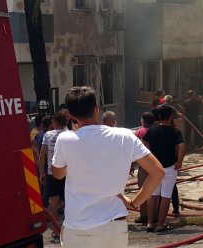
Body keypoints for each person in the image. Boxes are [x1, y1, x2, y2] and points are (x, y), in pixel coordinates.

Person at [51, 86, 164, 247]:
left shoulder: (65, 139)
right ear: (97, 109)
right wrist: (134, 203)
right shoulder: (124, 135)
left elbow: (58, 174)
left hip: (77, 227)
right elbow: (157, 172)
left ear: (70, 116)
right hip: (113, 226)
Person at [142, 104, 185, 233]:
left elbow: (143, 145)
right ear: (171, 116)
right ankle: (160, 224)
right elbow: (182, 147)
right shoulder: (175, 132)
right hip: (169, 167)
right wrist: (179, 162)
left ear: (159, 116)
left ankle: (150, 223)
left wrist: (147, 161)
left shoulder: (151, 130)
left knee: (153, 194)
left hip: (155, 168)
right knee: (166, 196)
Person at [39, 110, 69, 243]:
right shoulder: (70, 135)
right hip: (68, 173)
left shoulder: (47, 135)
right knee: (69, 202)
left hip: (52, 173)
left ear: (54, 122)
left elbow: (42, 156)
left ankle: (57, 231)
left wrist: (41, 172)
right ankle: (70, 230)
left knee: (53, 203)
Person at [133, 111, 156, 224]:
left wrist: (132, 165)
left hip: (143, 166)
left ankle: (144, 216)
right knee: (155, 191)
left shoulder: (139, 132)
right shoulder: (157, 130)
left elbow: (132, 149)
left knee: (143, 191)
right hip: (156, 165)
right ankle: (155, 215)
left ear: (143, 120)